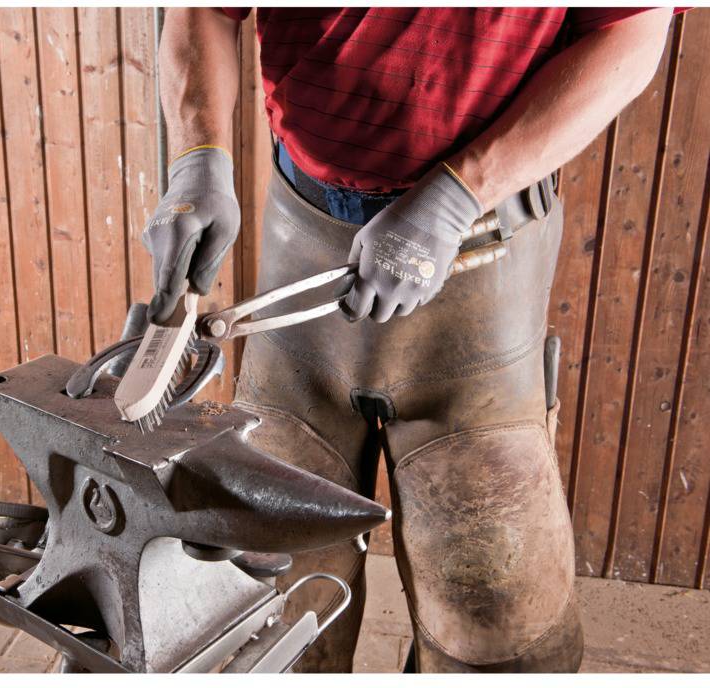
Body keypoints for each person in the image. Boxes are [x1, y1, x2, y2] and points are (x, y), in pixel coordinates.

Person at [142, 7, 675, 672]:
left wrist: (460, 192)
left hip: (480, 259)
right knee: (261, 608)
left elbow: (632, 30)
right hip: (301, 234)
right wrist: (198, 158)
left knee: (498, 625)